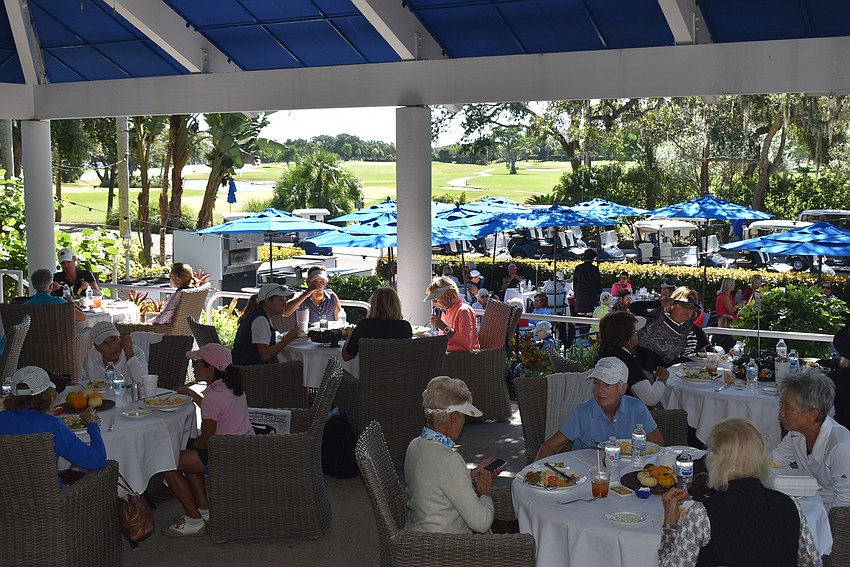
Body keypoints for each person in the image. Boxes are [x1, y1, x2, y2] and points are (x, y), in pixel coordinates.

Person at [659, 417, 820, 567]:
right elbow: (812, 563)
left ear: (716, 461)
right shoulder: (790, 505)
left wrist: (669, 525)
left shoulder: (703, 514)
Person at [161, 344, 255, 537]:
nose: (193, 367)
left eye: (196, 363)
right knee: (188, 449)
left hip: (225, 453)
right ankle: (204, 509)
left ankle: (193, 520)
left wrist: (193, 446)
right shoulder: (229, 386)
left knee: (164, 462)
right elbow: (218, 413)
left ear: (211, 369)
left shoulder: (214, 398)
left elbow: (206, 440)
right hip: (241, 446)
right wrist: (195, 396)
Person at [404, 376, 498, 534]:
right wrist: (485, 494)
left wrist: (468, 474)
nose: (464, 423)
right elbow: (482, 524)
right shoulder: (449, 460)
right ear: (454, 417)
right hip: (449, 547)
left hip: (419, 535)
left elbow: (432, 480)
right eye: (464, 417)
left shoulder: (414, 445)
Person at [536, 357, 664, 457]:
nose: (600, 390)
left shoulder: (636, 408)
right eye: (596, 383)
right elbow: (550, 446)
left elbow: (657, 443)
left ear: (623, 389)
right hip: (588, 472)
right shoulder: (583, 412)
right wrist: (537, 472)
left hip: (627, 470)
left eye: (607, 384)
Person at [0, 366, 106, 484]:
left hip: (6, 498)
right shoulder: (51, 425)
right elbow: (98, 461)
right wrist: (92, 423)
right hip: (51, 499)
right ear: (47, 395)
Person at [769, 370, 850, 510]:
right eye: (781, 404)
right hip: (809, 503)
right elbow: (775, 461)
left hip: (829, 515)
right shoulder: (797, 434)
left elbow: (844, 504)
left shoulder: (841, 447)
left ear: (812, 415)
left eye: (788, 407)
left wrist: (808, 515)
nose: (781, 412)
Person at [595, 312, 669, 409]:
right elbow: (650, 398)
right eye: (635, 332)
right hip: (626, 414)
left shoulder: (602, 355)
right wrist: (661, 378)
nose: (636, 335)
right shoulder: (627, 360)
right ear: (628, 338)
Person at [232, 284, 299, 365]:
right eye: (281, 300)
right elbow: (265, 356)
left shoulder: (259, 315)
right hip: (250, 371)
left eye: (285, 300)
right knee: (296, 368)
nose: (285, 304)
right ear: (267, 302)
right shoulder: (260, 320)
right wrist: (288, 339)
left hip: (247, 367)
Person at [638, 287, 706, 366]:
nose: (686, 310)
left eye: (691, 307)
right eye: (682, 305)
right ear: (671, 305)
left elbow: (708, 352)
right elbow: (634, 308)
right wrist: (659, 303)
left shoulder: (696, 331)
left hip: (690, 374)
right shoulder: (655, 322)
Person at [342, 286, 412, 361]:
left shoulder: (365, 326)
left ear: (374, 305)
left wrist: (349, 337)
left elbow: (346, 356)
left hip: (370, 372)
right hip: (400, 372)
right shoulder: (405, 327)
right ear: (396, 305)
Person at [424, 277, 480, 352]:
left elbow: (467, 344)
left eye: (436, 300)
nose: (433, 304)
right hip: (450, 356)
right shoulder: (446, 310)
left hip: (464, 358)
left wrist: (444, 327)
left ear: (449, 294)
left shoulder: (464, 311)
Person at [82, 321, 148, 383]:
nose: (111, 346)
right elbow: (83, 385)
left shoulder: (136, 353)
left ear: (120, 339)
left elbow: (144, 383)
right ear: (97, 348)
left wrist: (130, 355)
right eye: (104, 343)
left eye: (113, 339)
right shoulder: (90, 357)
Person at [572, 249, 601, 316]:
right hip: (591, 292)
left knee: (580, 312)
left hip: (580, 292)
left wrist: (575, 294)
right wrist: (600, 293)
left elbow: (575, 282)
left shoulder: (578, 268)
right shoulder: (594, 269)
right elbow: (598, 283)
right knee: (591, 312)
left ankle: (580, 324)